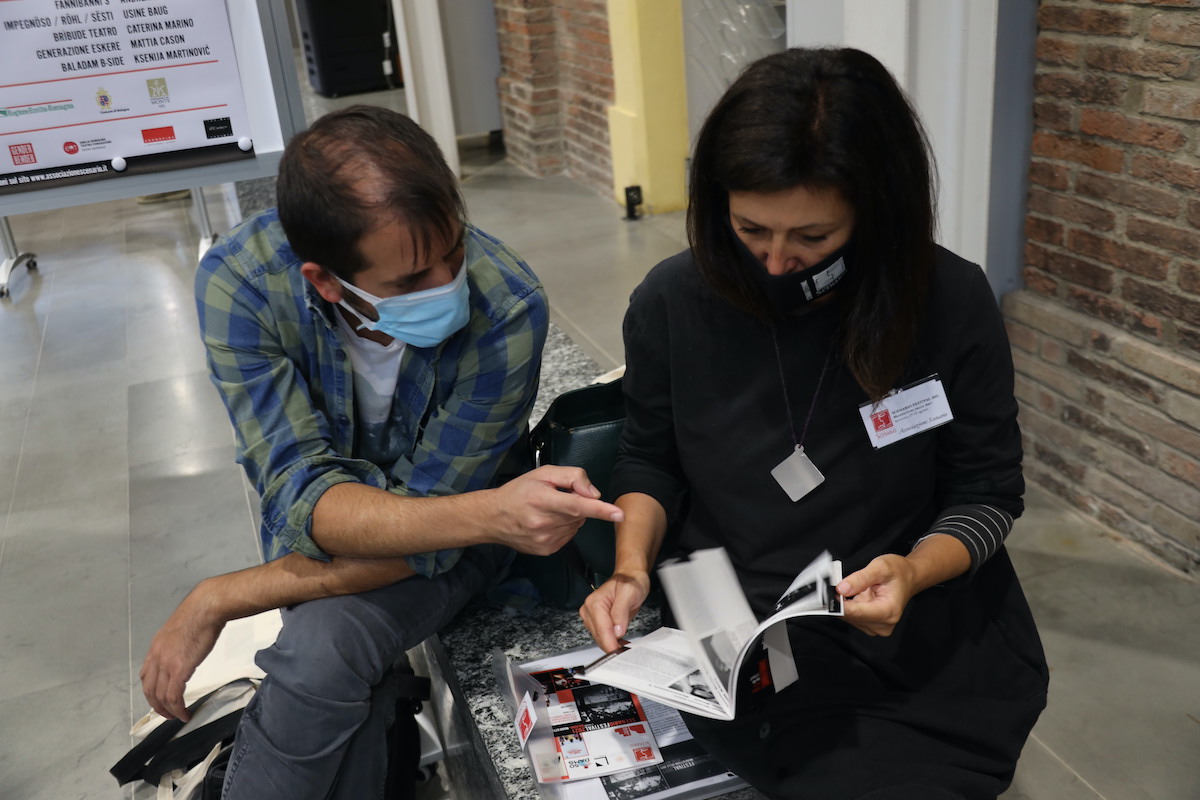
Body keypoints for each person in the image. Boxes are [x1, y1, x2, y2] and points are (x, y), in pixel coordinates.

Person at [580, 48, 1048, 799]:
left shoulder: (949, 302)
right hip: (736, 625)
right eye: (750, 229)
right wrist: (630, 568)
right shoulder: (672, 302)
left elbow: (988, 492)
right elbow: (649, 460)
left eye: (813, 238)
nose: (775, 263)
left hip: (906, 618)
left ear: (875, 213)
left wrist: (914, 570)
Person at [139, 105, 623, 800]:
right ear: (325, 281)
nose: (449, 286)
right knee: (331, 660)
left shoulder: (506, 306)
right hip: (445, 522)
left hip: (459, 543)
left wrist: (225, 595)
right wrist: (487, 512)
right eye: (411, 282)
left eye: (454, 251)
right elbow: (305, 498)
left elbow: (427, 537)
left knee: (323, 647)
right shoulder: (243, 284)